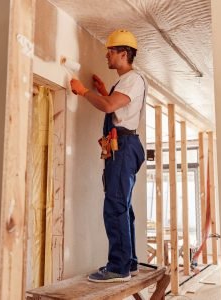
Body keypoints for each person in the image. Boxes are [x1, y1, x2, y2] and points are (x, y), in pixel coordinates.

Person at [70, 29, 147, 283]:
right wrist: (104, 91)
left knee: (115, 206)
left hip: (124, 146)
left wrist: (83, 91)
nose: (107, 55)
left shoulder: (133, 79)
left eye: (111, 51)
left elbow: (109, 107)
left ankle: (118, 268)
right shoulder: (126, 81)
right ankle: (130, 263)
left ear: (123, 54)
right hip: (124, 145)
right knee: (123, 206)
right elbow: (113, 103)